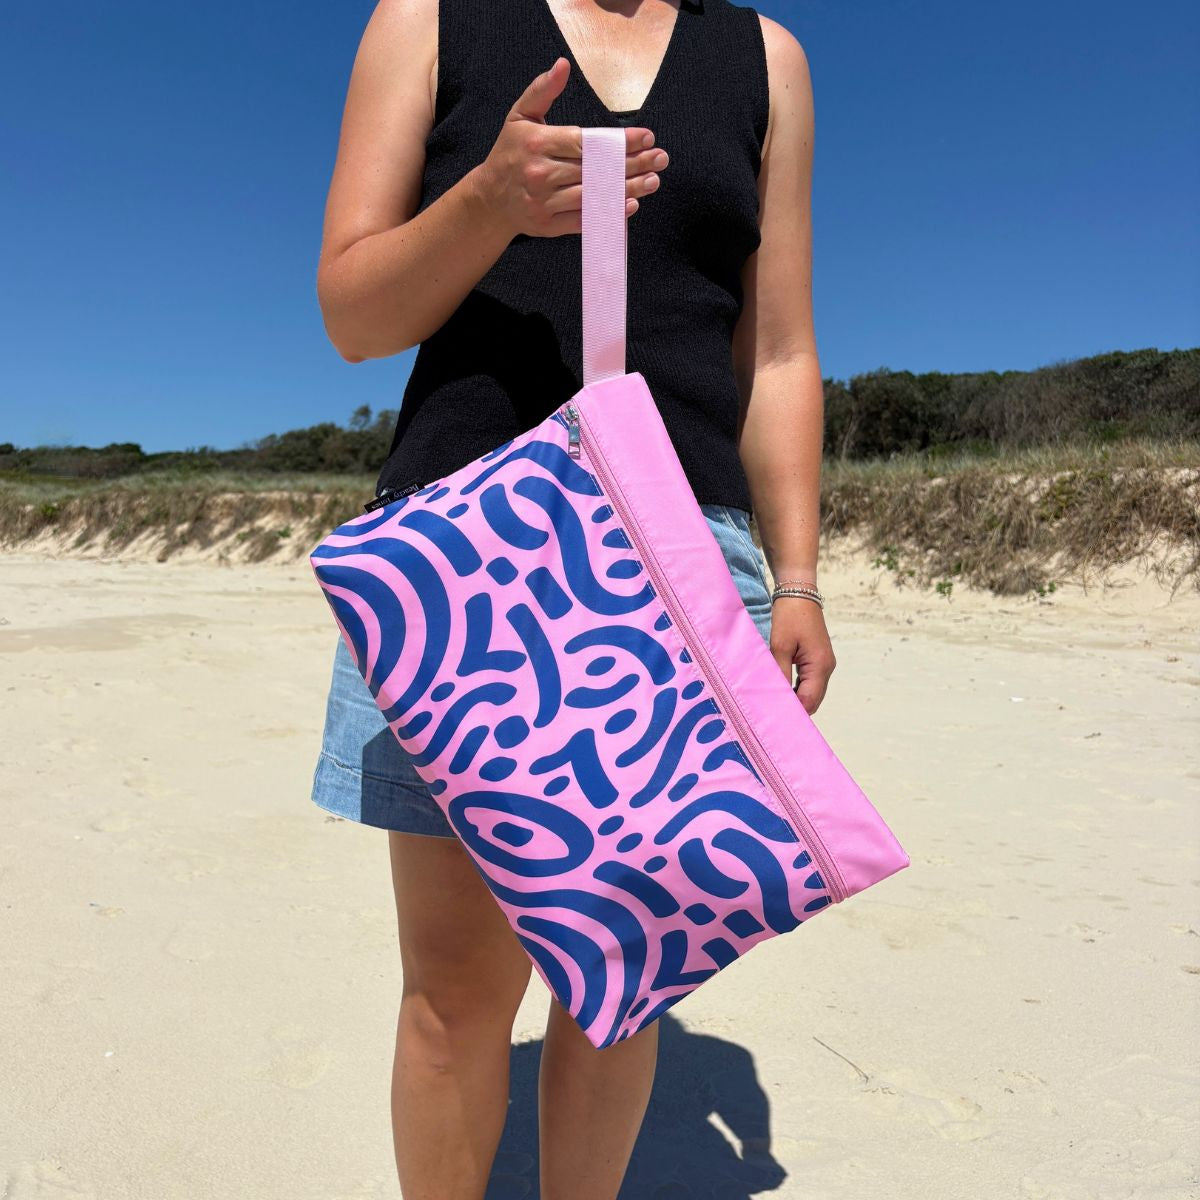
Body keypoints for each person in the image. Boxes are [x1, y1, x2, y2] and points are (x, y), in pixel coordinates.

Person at [310, 0, 833, 1195]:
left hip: (683, 552)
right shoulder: (429, 18)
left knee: (627, 980)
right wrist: (487, 204)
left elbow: (778, 350)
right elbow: (353, 314)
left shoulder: (767, 61)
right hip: (464, 561)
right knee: (455, 996)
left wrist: (797, 576)